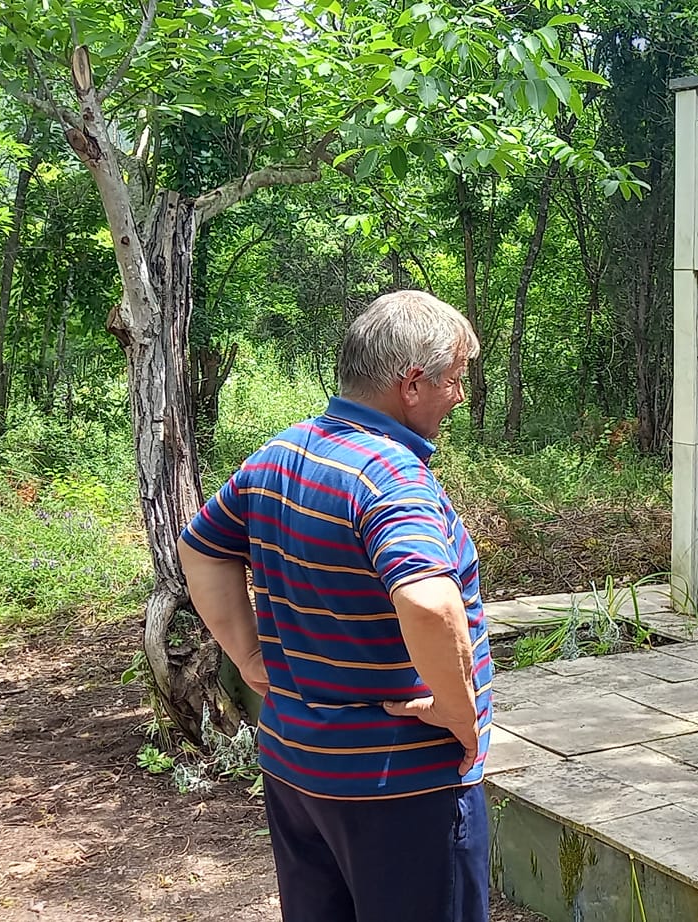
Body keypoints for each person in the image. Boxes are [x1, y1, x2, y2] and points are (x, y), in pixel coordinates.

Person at [177, 291, 493, 922]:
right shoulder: (390, 478)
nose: (459, 396)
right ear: (411, 383)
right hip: (401, 781)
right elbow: (430, 604)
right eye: (454, 381)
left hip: (299, 769)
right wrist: (458, 709)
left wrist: (247, 654)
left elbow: (202, 548)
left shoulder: (279, 455)